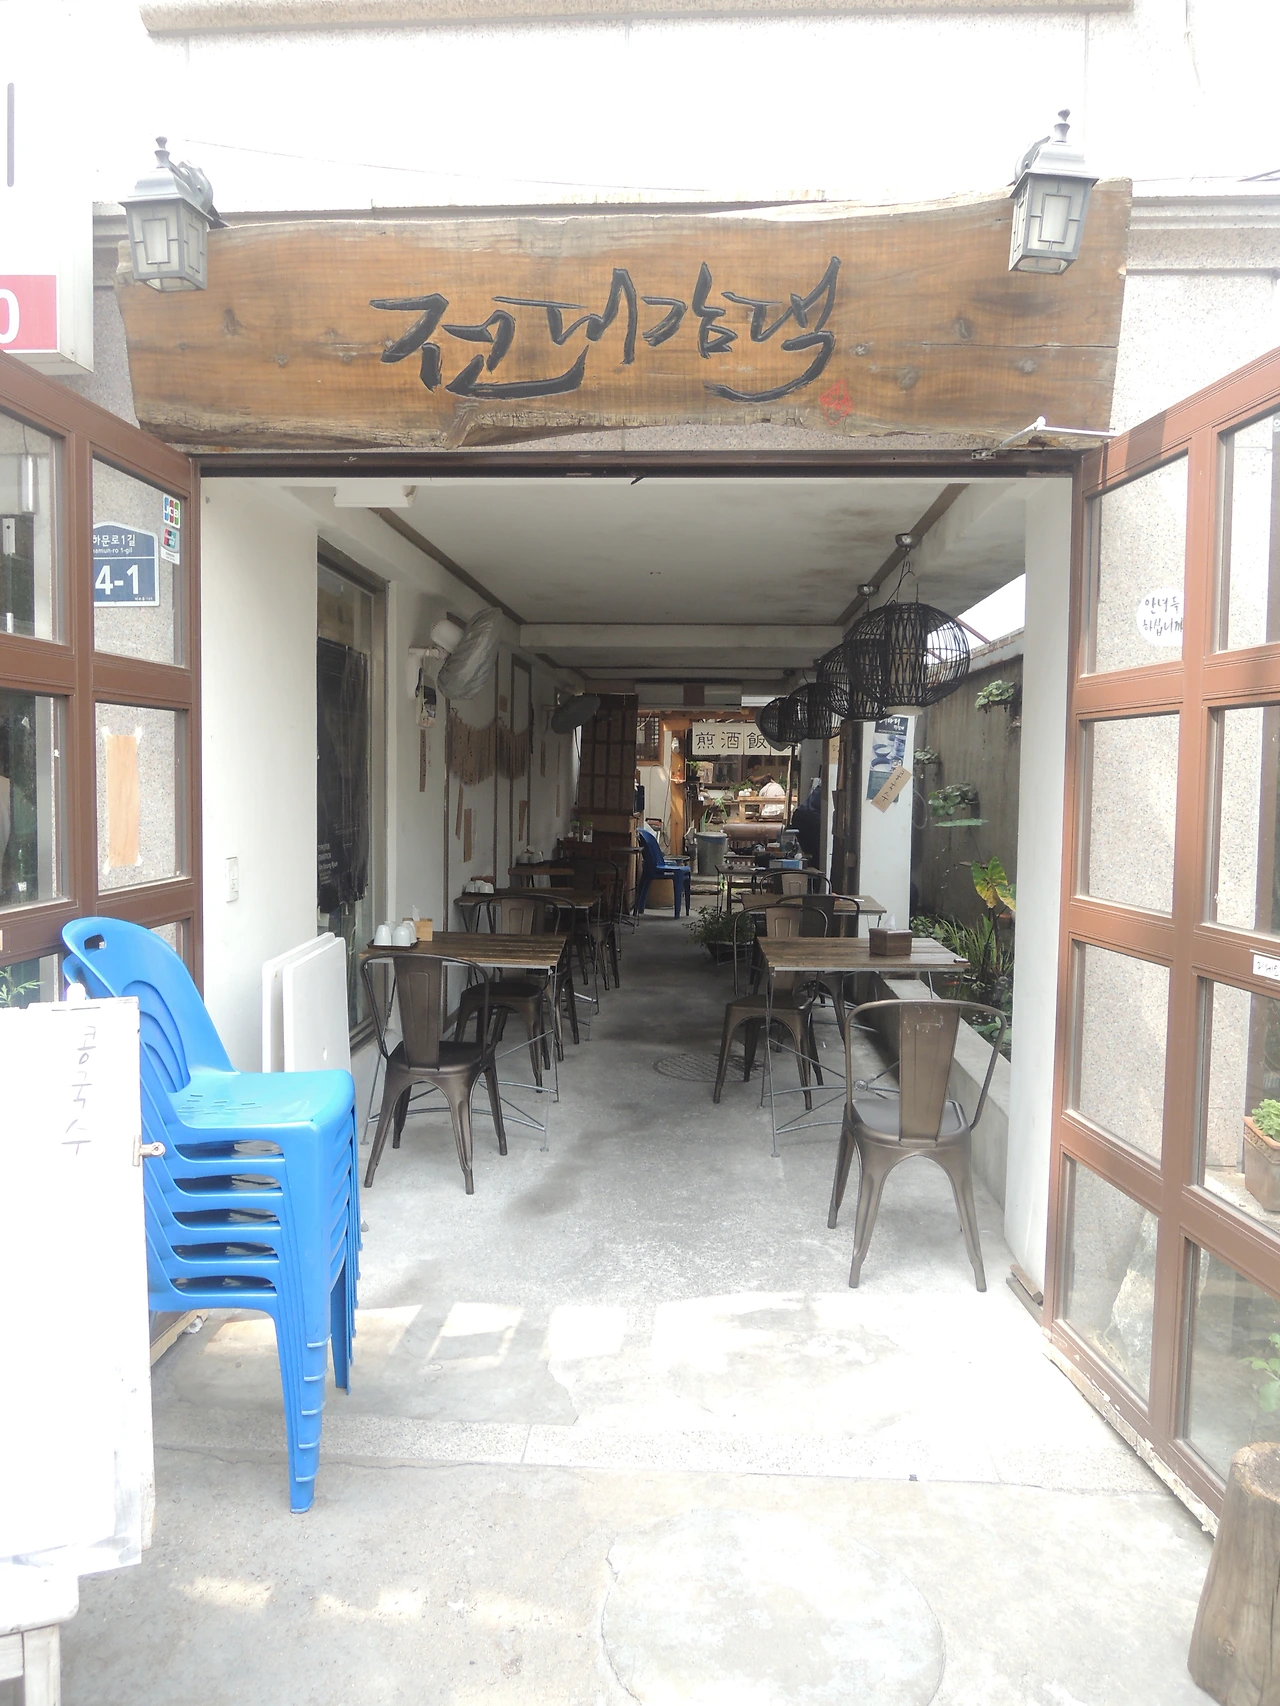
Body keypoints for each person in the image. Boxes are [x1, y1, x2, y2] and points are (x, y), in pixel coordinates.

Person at [790, 779, 822, 861]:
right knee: (817, 854)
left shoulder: (822, 786)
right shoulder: (829, 785)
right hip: (810, 818)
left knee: (811, 854)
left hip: (799, 815)